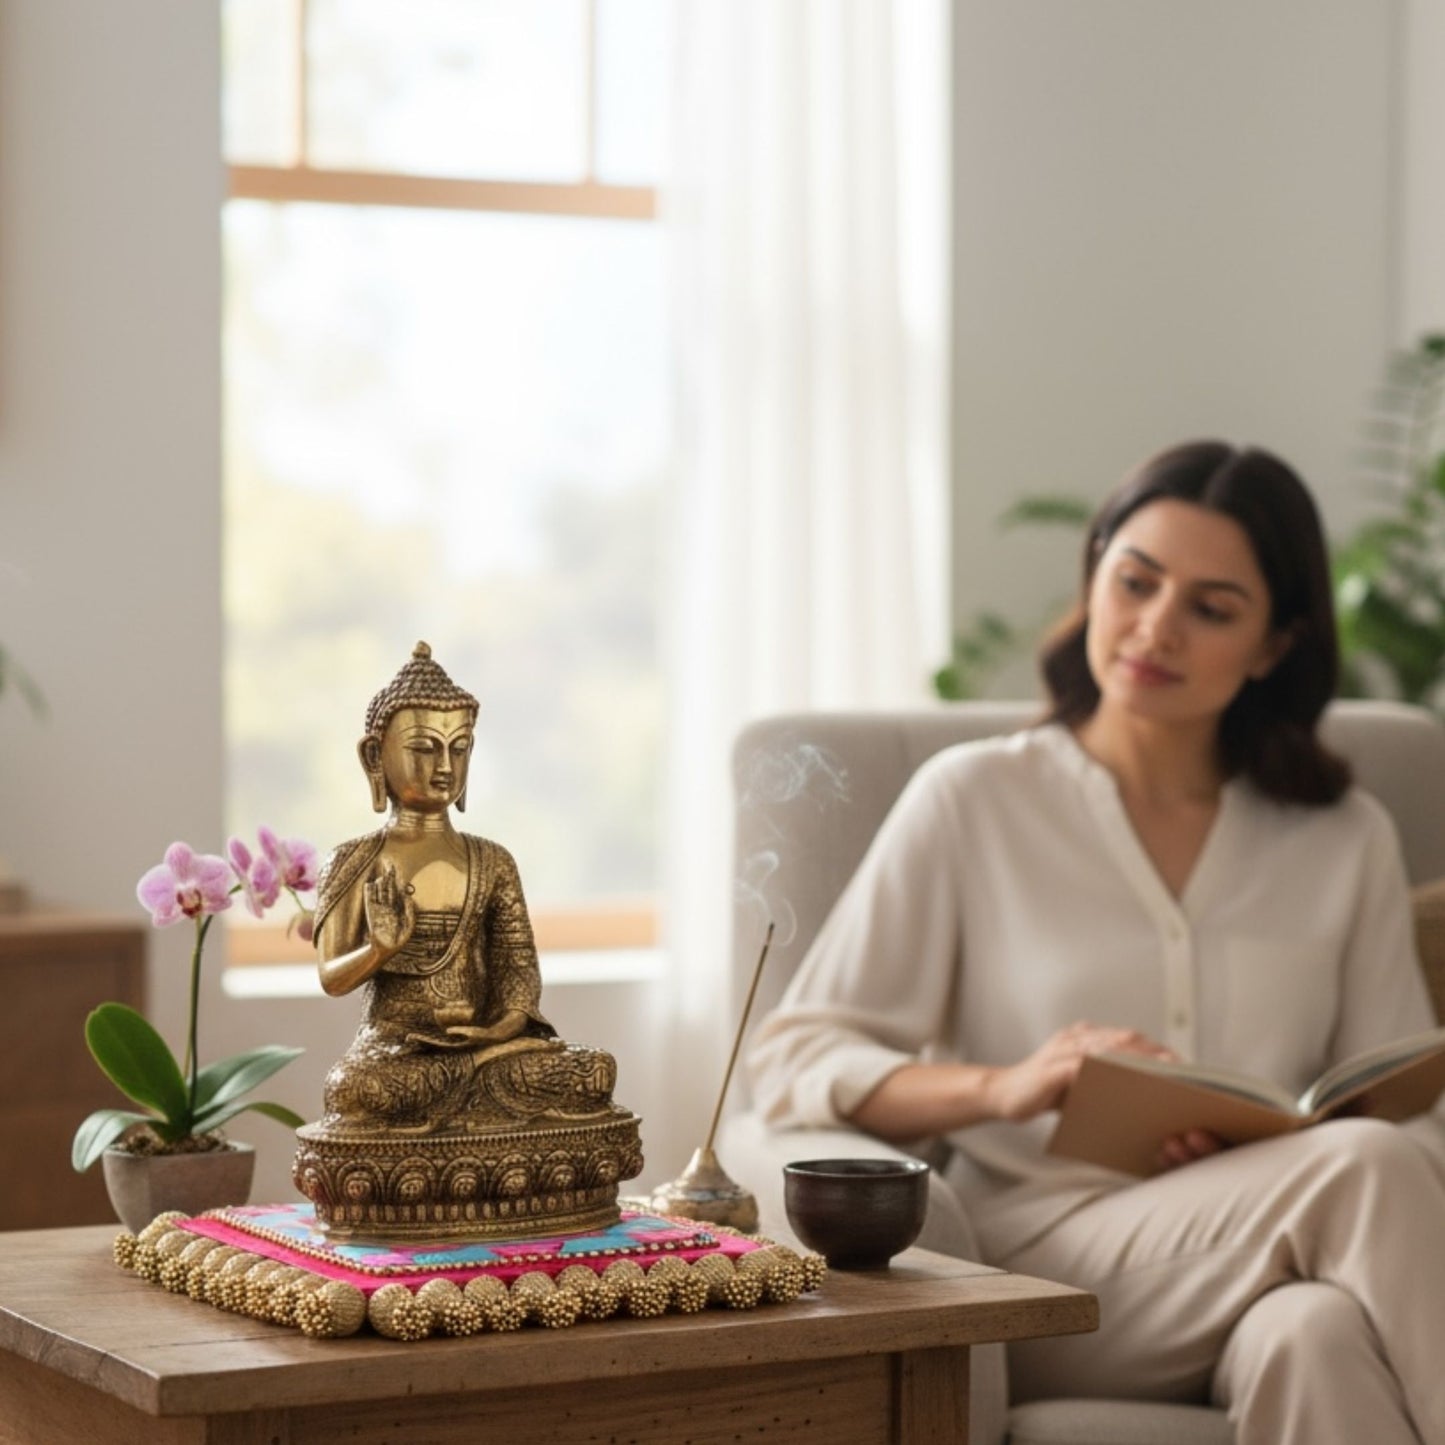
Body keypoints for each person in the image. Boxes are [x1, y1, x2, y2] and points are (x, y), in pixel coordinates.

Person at [746, 441, 1445, 1444]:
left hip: (1274, 1263)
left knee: (1316, 1332)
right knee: (1362, 1169)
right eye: (1135, 581)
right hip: (1052, 1271)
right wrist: (1006, 1084)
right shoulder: (974, 798)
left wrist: (1260, 1143)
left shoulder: (1342, 836)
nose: (1154, 626)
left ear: (1272, 646)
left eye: (1209, 607)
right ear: (1093, 576)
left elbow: (1409, 1114)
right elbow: (795, 1054)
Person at [313, 641, 619, 1133]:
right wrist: (379, 949)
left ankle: (471, 1096)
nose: (444, 767)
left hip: (487, 1050)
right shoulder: (354, 860)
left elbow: (517, 966)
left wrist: (502, 1027)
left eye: (459, 749)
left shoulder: (493, 861)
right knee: (354, 1091)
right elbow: (332, 977)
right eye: (423, 748)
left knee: (592, 1071)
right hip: (396, 1052)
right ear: (375, 755)